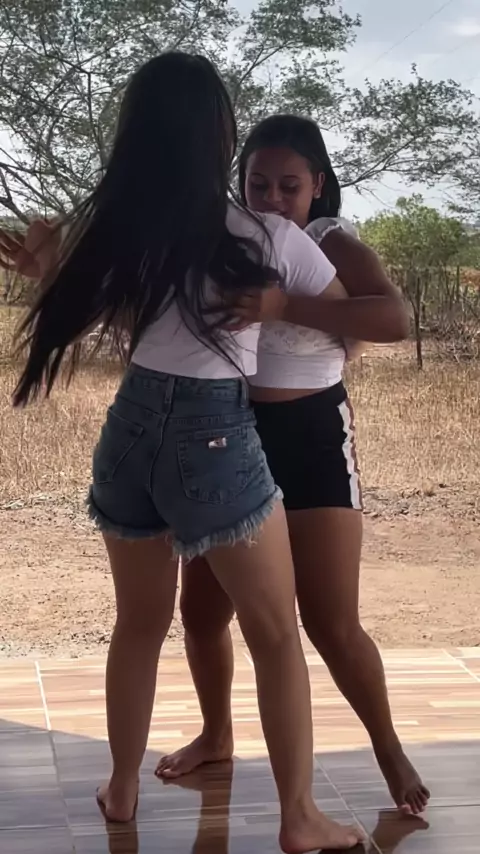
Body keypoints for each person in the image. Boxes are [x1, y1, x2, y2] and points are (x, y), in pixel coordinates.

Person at [6, 56, 365, 853]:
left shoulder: (119, 235)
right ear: (221, 137)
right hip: (215, 434)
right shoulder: (265, 234)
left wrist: (48, 266)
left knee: (138, 624)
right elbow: (349, 323)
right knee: (275, 634)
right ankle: (300, 818)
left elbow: (109, 312)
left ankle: (122, 787)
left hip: (130, 427)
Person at [156, 115, 430, 816]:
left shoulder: (329, 240)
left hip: (313, 438)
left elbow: (392, 319)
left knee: (331, 620)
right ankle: (217, 734)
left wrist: (285, 304)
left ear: (318, 187)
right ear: (239, 184)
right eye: (258, 184)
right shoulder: (226, 239)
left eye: (289, 185)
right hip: (232, 433)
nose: (273, 198)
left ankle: (388, 747)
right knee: (201, 612)